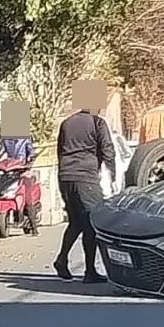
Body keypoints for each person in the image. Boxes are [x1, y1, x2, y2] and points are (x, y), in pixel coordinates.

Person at [53, 104, 116, 283]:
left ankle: (62, 259)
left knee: (76, 222)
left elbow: (59, 151)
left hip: (66, 177)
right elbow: (108, 150)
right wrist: (113, 175)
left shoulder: (67, 122)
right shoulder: (98, 123)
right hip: (85, 177)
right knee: (92, 223)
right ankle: (90, 271)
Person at [0, 134, 40, 237]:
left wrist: (29, 162)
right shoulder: (6, 139)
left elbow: (31, 152)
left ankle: (34, 227)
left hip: (23, 170)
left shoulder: (26, 139)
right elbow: (0, 152)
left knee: (28, 198)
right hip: (10, 171)